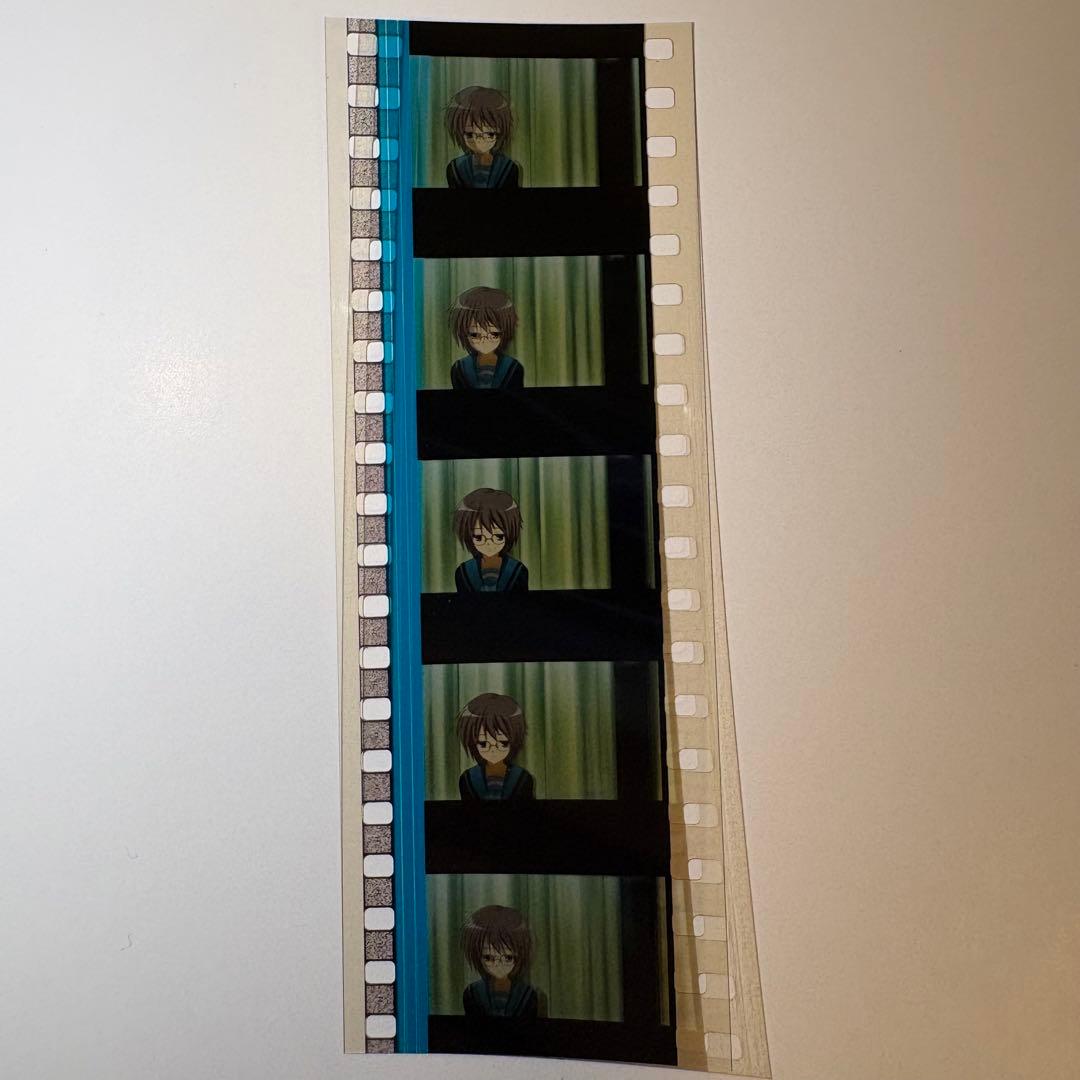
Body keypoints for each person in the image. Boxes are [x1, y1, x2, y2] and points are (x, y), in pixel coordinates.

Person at [461, 905, 539, 1019]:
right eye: (488, 957)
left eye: (508, 957)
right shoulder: (472, 993)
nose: (498, 964)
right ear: (478, 956)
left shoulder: (527, 995)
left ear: (519, 956)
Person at [456, 693, 535, 802]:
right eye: (483, 743)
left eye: (503, 743)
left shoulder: (523, 778)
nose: (493, 750)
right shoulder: (467, 779)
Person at [444, 86, 521, 189]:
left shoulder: (508, 168)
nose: (478, 141)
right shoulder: (455, 168)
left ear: (499, 133)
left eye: (489, 134)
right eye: (470, 134)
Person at [448, 286, 525, 390]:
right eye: (475, 335)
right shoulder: (459, 368)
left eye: (494, 334)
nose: (484, 341)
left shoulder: (513, 367)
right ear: (464, 333)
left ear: (504, 333)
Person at [453, 488, 528, 593]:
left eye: (498, 536)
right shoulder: (463, 572)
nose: (488, 543)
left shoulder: (518, 570)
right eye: (479, 537)